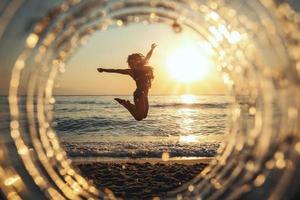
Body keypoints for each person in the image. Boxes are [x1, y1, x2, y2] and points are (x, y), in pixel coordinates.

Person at [97, 43, 157, 121]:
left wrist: (152, 49)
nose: (132, 64)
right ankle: (124, 103)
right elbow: (116, 71)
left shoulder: (143, 67)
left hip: (145, 94)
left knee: (144, 115)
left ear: (138, 61)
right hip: (139, 94)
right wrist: (103, 70)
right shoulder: (130, 72)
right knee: (138, 117)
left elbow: (148, 57)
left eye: (134, 61)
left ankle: (126, 103)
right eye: (130, 62)